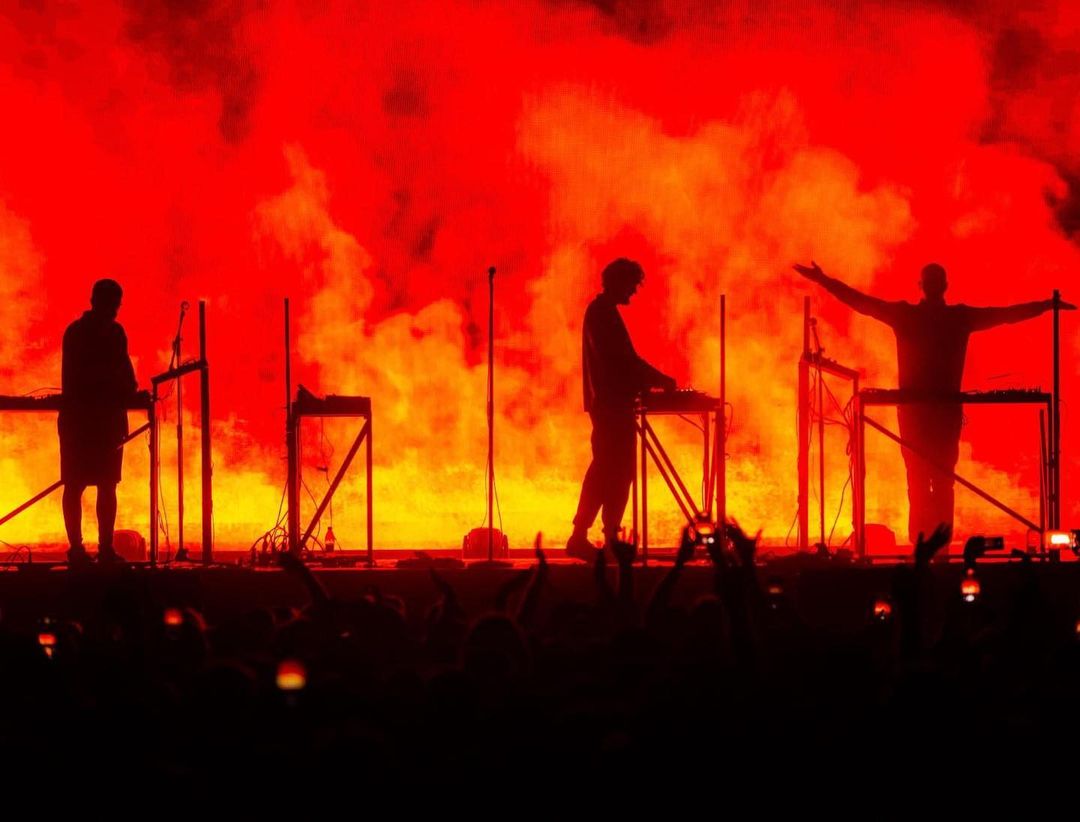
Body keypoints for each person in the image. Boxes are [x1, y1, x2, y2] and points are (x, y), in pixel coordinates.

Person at [794, 260, 1073, 544]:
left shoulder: (907, 315)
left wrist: (823, 280)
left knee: (918, 480)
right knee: (942, 481)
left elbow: (861, 302)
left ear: (922, 286)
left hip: (916, 414)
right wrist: (1045, 306)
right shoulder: (958, 318)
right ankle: (939, 546)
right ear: (945, 286)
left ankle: (921, 546)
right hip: (943, 414)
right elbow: (1005, 315)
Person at [566, 258, 676, 561]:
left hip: (611, 404)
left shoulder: (602, 312)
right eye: (632, 284)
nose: (633, 291)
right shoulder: (602, 314)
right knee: (610, 470)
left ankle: (601, 536)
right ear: (618, 281)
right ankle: (590, 536)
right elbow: (624, 362)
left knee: (613, 471)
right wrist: (660, 380)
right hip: (611, 406)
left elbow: (624, 362)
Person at [59, 278, 139, 566]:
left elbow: (125, 370)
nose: (114, 310)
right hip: (82, 421)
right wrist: (119, 389)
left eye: (116, 305)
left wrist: (129, 389)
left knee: (106, 484)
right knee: (76, 484)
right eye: (112, 304)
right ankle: (79, 549)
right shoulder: (78, 334)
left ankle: (103, 549)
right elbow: (82, 377)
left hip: (101, 422)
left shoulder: (114, 333)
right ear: (96, 302)